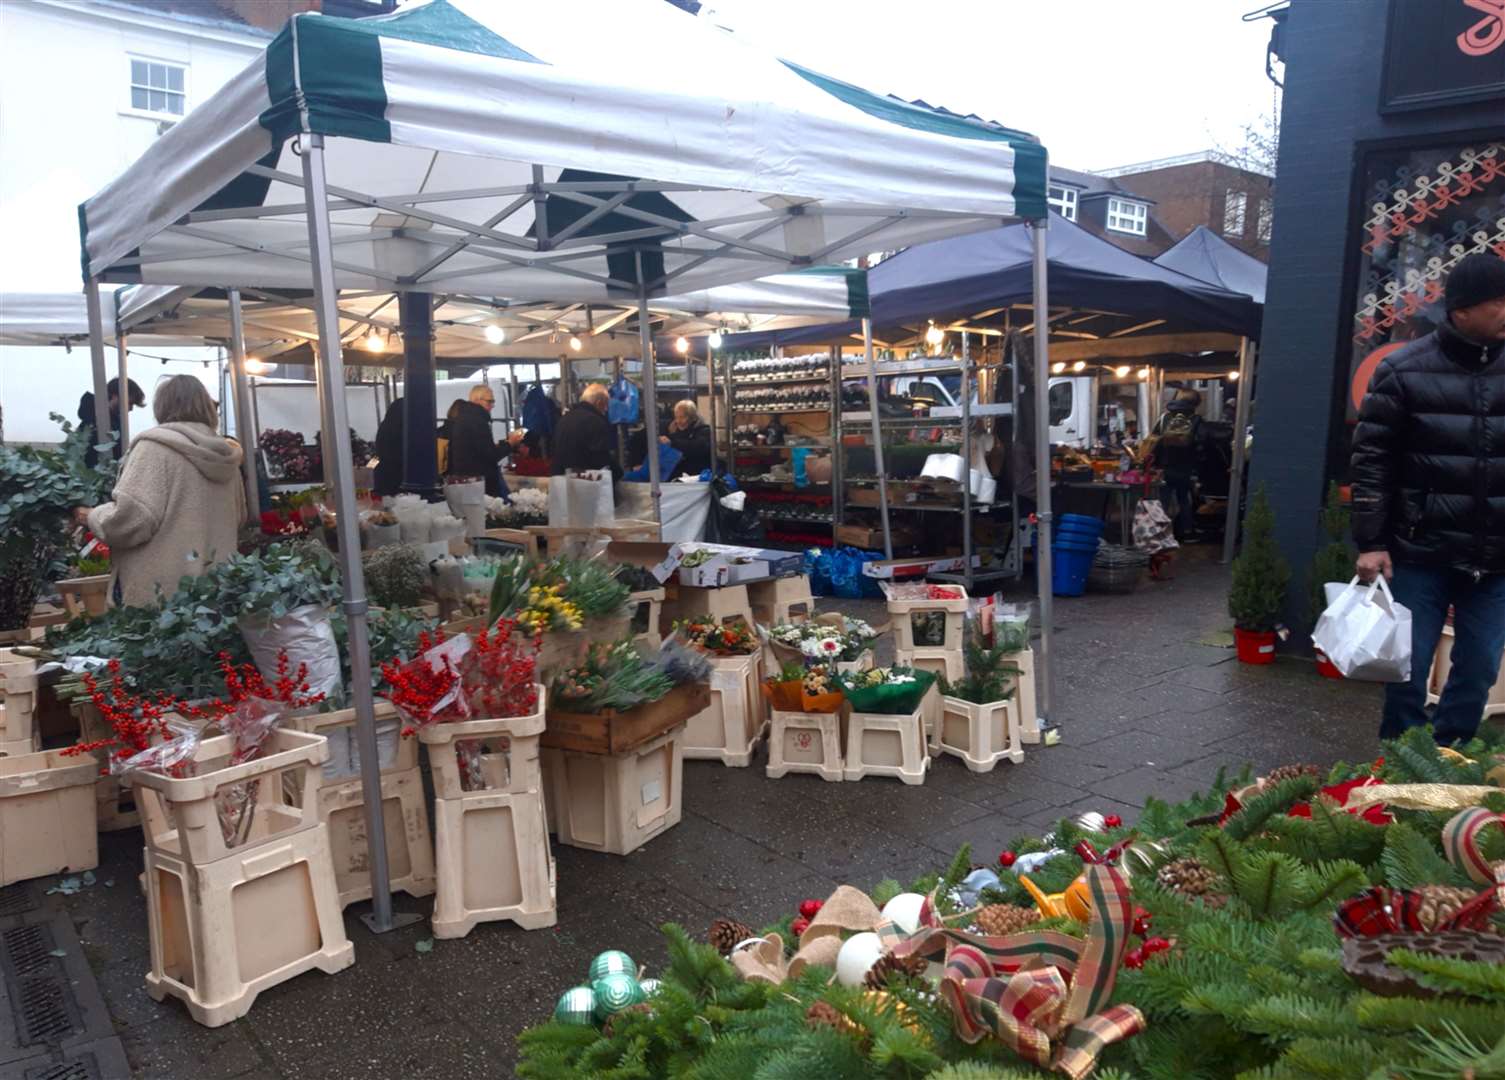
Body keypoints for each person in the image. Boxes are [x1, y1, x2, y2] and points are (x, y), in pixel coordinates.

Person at [1351, 252, 1505, 745]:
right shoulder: (1402, 371)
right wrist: (1371, 542)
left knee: (1479, 668)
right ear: (1462, 310)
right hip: (1421, 553)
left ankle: (1450, 761)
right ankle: (1401, 761)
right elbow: (1372, 461)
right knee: (1407, 675)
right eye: (1499, 302)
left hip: (1495, 555)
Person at [76, 375, 245, 607]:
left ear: (162, 406)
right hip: (217, 592)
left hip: (163, 599)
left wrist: (92, 516)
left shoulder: (154, 449)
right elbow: (239, 518)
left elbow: (132, 520)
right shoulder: (225, 457)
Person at [441, 385, 522, 497]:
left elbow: (478, 449)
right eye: (489, 401)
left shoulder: (465, 417)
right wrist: (510, 443)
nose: (492, 406)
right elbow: (490, 454)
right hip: (479, 482)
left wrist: (505, 443)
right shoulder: (477, 420)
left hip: (467, 479)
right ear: (476, 400)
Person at [1152, 388, 1203, 538]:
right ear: (1195, 403)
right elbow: (1201, 443)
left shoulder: (1164, 417)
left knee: (1163, 501)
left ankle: (1160, 532)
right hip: (1185, 468)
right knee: (1184, 500)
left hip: (1164, 467)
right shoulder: (1196, 419)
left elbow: (1154, 441)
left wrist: (1155, 464)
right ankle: (1186, 531)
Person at [552, 383, 618, 477]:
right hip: (585, 481)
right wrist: (618, 473)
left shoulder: (564, 419)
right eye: (606, 405)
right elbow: (601, 458)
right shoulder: (596, 422)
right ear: (599, 402)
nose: (606, 409)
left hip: (561, 478)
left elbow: (554, 449)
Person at [77, 377, 145, 468]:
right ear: (114, 395)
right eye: (130, 403)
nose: (131, 409)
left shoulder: (116, 422)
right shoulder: (91, 422)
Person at [663, 399, 711, 477]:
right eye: (676, 417)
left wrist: (672, 442)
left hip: (698, 476)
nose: (678, 421)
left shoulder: (704, 430)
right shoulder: (673, 430)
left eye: (682, 417)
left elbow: (696, 447)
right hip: (677, 477)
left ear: (692, 417)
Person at [372, 396, 404, 497]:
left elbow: (378, 453)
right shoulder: (402, 429)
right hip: (395, 476)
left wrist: (370, 468)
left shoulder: (384, 426)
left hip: (381, 474)